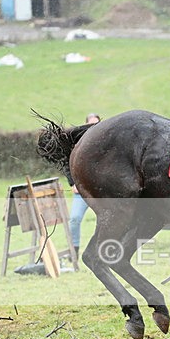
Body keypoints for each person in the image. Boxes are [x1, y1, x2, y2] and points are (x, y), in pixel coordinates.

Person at [69, 113, 101, 265]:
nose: (93, 128)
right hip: (81, 191)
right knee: (74, 219)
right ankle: (73, 250)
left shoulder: (106, 142)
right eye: (90, 125)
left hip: (100, 191)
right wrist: (73, 183)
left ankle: (102, 250)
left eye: (96, 124)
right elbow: (68, 164)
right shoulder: (79, 144)